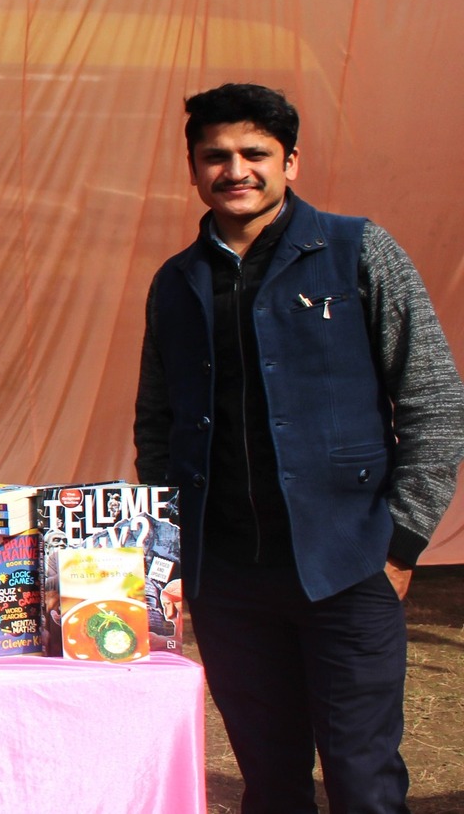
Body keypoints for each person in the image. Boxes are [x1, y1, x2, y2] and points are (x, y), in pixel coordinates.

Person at [134, 83, 464, 814]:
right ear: (193, 169)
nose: (236, 170)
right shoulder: (177, 282)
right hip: (228, 581)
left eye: (255, 153)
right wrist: (171, 553)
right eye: (215, 156)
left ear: (291, 161)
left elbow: (435, 401)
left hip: (349, 567)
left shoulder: (358, 250)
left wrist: (401, 545)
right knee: (272, 782)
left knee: (362, 780)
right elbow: (157, 426)